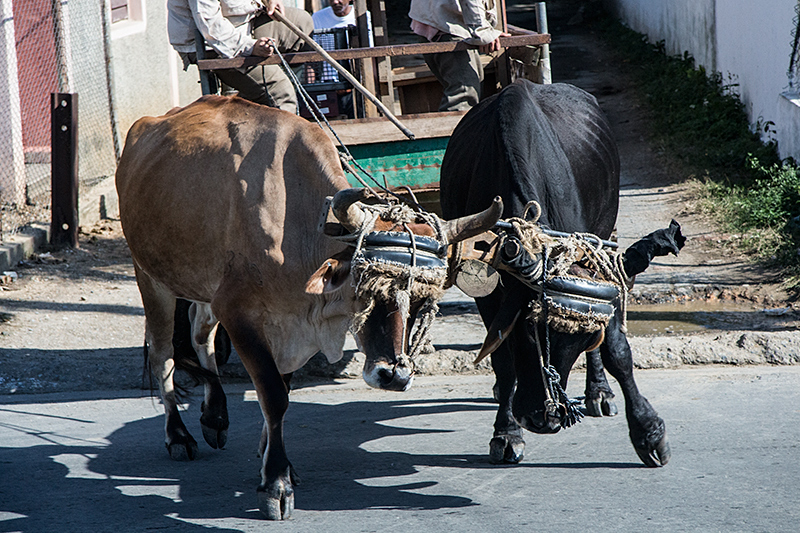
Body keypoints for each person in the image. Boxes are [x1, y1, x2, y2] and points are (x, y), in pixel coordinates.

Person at [167, 0, 314, 114]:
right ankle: (285, 145)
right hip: (212, 45)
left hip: (246, 24)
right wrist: (250, 47)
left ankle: (252, 98)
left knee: (302, 24)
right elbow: (211, 28)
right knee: (280, 91)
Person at [408, 0, 509, 111]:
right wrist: (484, 32)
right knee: (464, 95)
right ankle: (448, 128)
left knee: (468, 87)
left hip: (437, 23)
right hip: (447, 27)